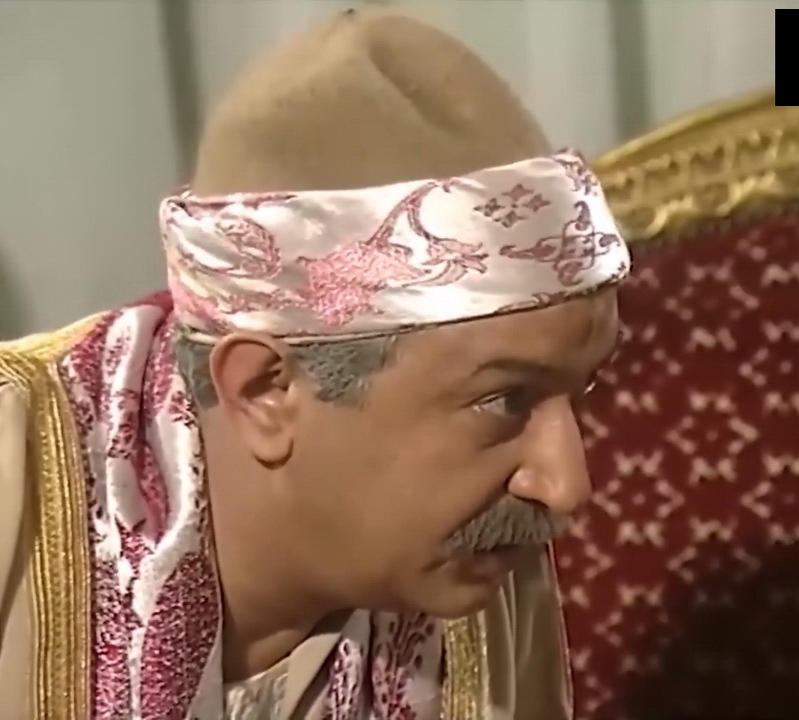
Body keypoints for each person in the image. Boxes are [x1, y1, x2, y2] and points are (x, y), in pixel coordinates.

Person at [0, 8, 629, 720]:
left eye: (581, 388)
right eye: (505, 400)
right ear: (265, 392)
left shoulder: (479, 551)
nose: (566, 486)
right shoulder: (17, 486)